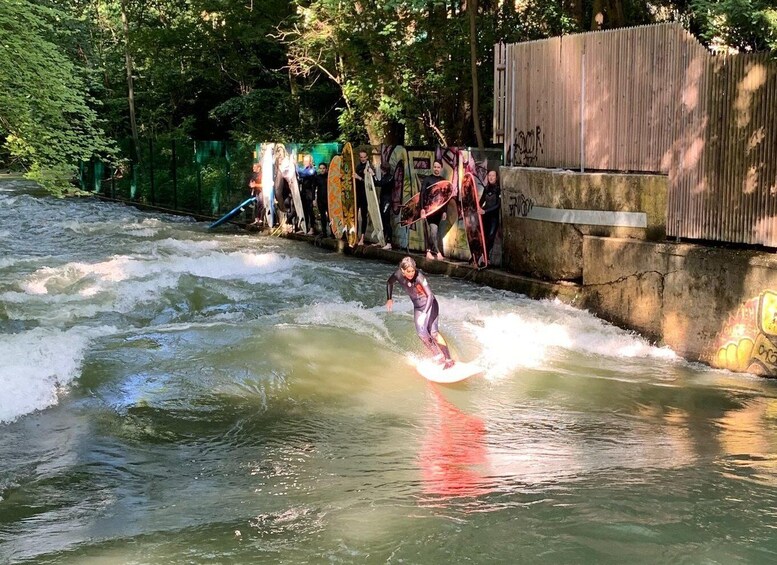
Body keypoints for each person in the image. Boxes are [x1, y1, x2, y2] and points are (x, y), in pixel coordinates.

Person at [386, 256, 454, 369]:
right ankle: (438, 355)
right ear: (403, 270)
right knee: (422, 334)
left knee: (433, 333)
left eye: (413, 270)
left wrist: (425, 313)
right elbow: (389, 283)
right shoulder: (398, 275)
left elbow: (430, 296)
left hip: (430, 305)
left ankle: (448, 359)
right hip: (418, 308)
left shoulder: (419, 277)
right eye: (409, 271)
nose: (411, 273)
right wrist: (389, 298)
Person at [420, 160, 447, 260]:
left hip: (438, 211)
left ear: (441, 168)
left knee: (434, 232)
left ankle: (429, 251)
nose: (436, 169)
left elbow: (444, 198)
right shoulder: (428, 179)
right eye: (435, 167)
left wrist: (444, 211)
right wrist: (422, 209)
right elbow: (422, 194)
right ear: (433, 167)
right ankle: (437, 252)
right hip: (429, 210)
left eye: (438, 167)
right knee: (433, 230)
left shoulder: (443, 180)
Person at [479, 170, 501, 258]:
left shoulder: (498, 189)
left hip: (494, 218)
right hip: (486, 217)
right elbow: (481, 202)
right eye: (489, 175)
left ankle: (485, 255)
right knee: (484, 237)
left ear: (496, 177)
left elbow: (498, 205)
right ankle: (484, 256)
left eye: (493, 176)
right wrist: (479, 209)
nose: (491, 177)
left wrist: (486, 211)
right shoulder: (486, 188)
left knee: (491, 237)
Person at [354, 149, 372, 246]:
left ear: (367, 157)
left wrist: (359, 178)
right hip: (357, 194)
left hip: (365, 195)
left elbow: (370, 183)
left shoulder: (369, 167)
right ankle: (355, 235)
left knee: (364, 216)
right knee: (355, 215)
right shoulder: (358, 166)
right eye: (361, 157)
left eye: (364, 157)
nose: (363, 159)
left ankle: (362, 237)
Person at [376, 163, 394, 250]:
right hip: (383, 200)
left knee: (386, 221)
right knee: (382, 220)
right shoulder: (385, 176)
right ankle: (383, 239)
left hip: (387, 201)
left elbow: (379, 183)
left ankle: (389, 242)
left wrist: (372, 175)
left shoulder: (390, 177)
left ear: (383, 169)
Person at [297, 154, 317, 235]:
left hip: (310, 193)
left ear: (310, 162)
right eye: (304, 161)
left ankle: (312, 228)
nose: (305, 163)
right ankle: (305, 227)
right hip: (304, 193)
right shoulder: (304, 169)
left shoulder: (312, 170)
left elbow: (304, 174)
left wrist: (295, 166)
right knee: (304, 210)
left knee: (310, 211)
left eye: (306, 161)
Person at [315, 161, 330, 237]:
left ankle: (333, 233)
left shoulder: (329, 176)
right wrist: (314, 199)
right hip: (320, 199)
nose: (322, 170)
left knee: (330, 217)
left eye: (323, 168)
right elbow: (314, 187)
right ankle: (324, 232)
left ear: (326, 169)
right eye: (321, 168)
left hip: (329, 199)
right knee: (323, 217)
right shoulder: (317, 177)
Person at [248, 161, 265, 227]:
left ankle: (261, 219)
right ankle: (256, 219)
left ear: (259, 168)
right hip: (256, 192)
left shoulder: (262, 175)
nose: (253, 168)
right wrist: (251, 185)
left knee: (261, 204)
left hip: (261, 191)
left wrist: (255, 185)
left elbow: (264, 184)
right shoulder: (254, 175)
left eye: (254, 167)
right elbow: (251, 183)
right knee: (256, 205)